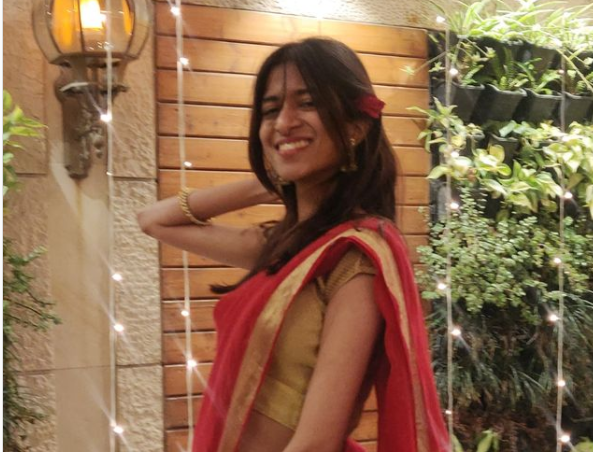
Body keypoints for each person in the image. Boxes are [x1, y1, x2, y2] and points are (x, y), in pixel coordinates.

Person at [137, 37, 449, 452]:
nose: (284, 122)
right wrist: (270, 178)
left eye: (308, 103)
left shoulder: (354, 259)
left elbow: (316, 442)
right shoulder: (282, 247)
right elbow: (154, 220)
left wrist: (286, 161)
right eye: (270, 110)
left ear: (355, 127)